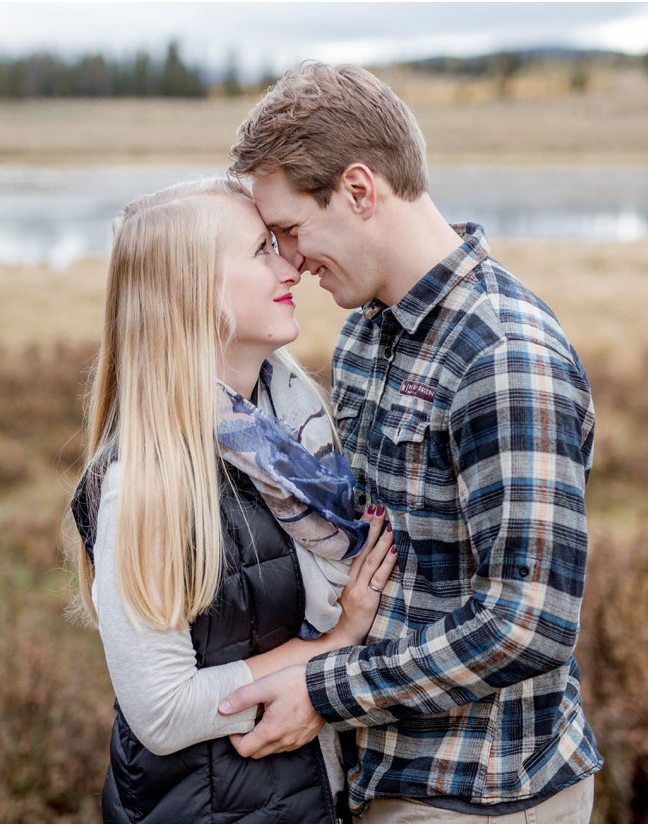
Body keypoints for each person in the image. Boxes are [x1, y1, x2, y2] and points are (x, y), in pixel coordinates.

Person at [217, 63, 603, 823]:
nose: (290, 260)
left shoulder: (503, 355)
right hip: (380, 772)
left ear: (360, 191)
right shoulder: (366, 331)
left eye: (291, 230)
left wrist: (324, 693)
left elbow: (527, 626)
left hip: (482, 794)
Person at [68, 176, 400, 823]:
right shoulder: (146, 478)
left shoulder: (292, 437)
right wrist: (335, 643)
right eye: (261, 251)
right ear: (197, 294)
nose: (292, 265)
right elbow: (162, 713)